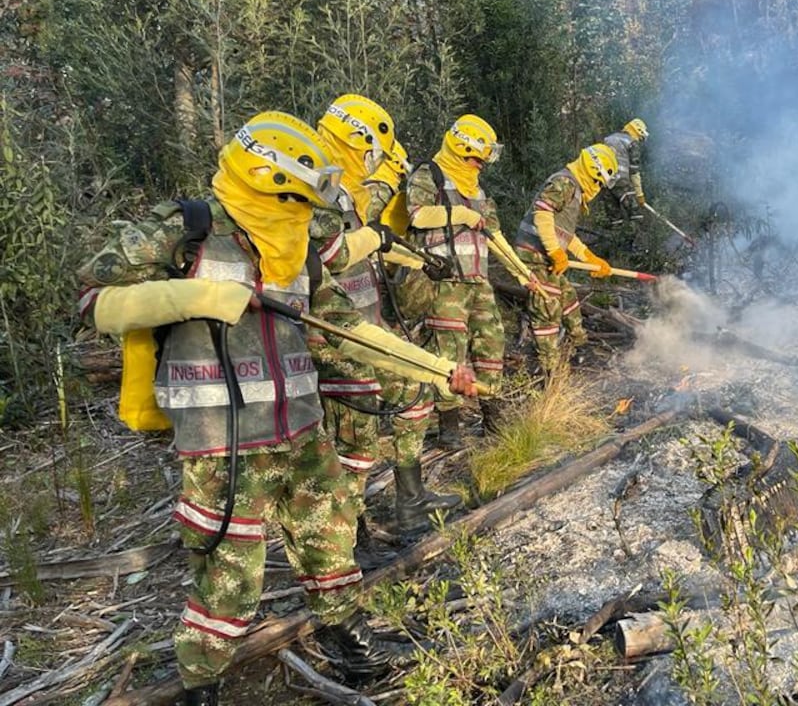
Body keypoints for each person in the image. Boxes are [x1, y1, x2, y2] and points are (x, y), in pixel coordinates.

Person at [76, 111, 476, 705]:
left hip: (303, 427)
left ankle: (351, 644)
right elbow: (91, 299)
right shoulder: (185, 232)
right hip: (223, 439)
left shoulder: (298, 252)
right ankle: (202, 684)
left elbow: (350, 333)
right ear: (269, 182)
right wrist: (194, 297)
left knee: (331, 539)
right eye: (297, 202)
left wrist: (440, 371)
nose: (306, 219)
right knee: (231, 578)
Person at [311, 95, 461, 540]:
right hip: (331, 334)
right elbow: (328, 257)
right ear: (358, 140)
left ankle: (411, 505)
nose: (375, 162)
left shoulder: (339, 188)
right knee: (354, 444)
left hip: (367, 323)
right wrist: (374, 237)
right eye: (373, 151)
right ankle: (347, 540)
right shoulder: (314, 185)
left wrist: (421, 263)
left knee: (415, 392)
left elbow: (371, 239)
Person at [403, 114, 534, 442]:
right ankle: (450, 427)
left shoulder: (477, 188)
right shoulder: (429, 174)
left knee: (491, 345)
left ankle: (493, 418)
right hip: (445, 284)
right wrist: (462, 214)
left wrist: (524, 273)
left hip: (478, 282)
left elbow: (494, 234)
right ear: (462, 149)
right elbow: (417, 216)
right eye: (479, 157)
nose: (482, 164)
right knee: (449, 354)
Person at [513, 143, 620, 371]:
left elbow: (565, 235)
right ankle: (547, 370)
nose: (598, 187)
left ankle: (580, 350)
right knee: (547, 307)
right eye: (599, 181)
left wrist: (589, 257)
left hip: (545, 254)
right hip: (534, 254)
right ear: (593, 171)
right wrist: (554, 251)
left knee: (569, 299)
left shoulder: (574, 189)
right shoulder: (565, 182)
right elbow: (542, 213)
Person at [601, 118, 649, 225]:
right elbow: (634, 172)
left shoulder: (608, 139)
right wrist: (639, 194)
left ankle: (615, 238)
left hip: (605, 182)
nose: (639, 140)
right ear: (638, 131)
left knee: (614, 219)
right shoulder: (632, 143)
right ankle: (636, 239)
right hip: (621, 182)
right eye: (640, 138)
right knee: (636, 216)